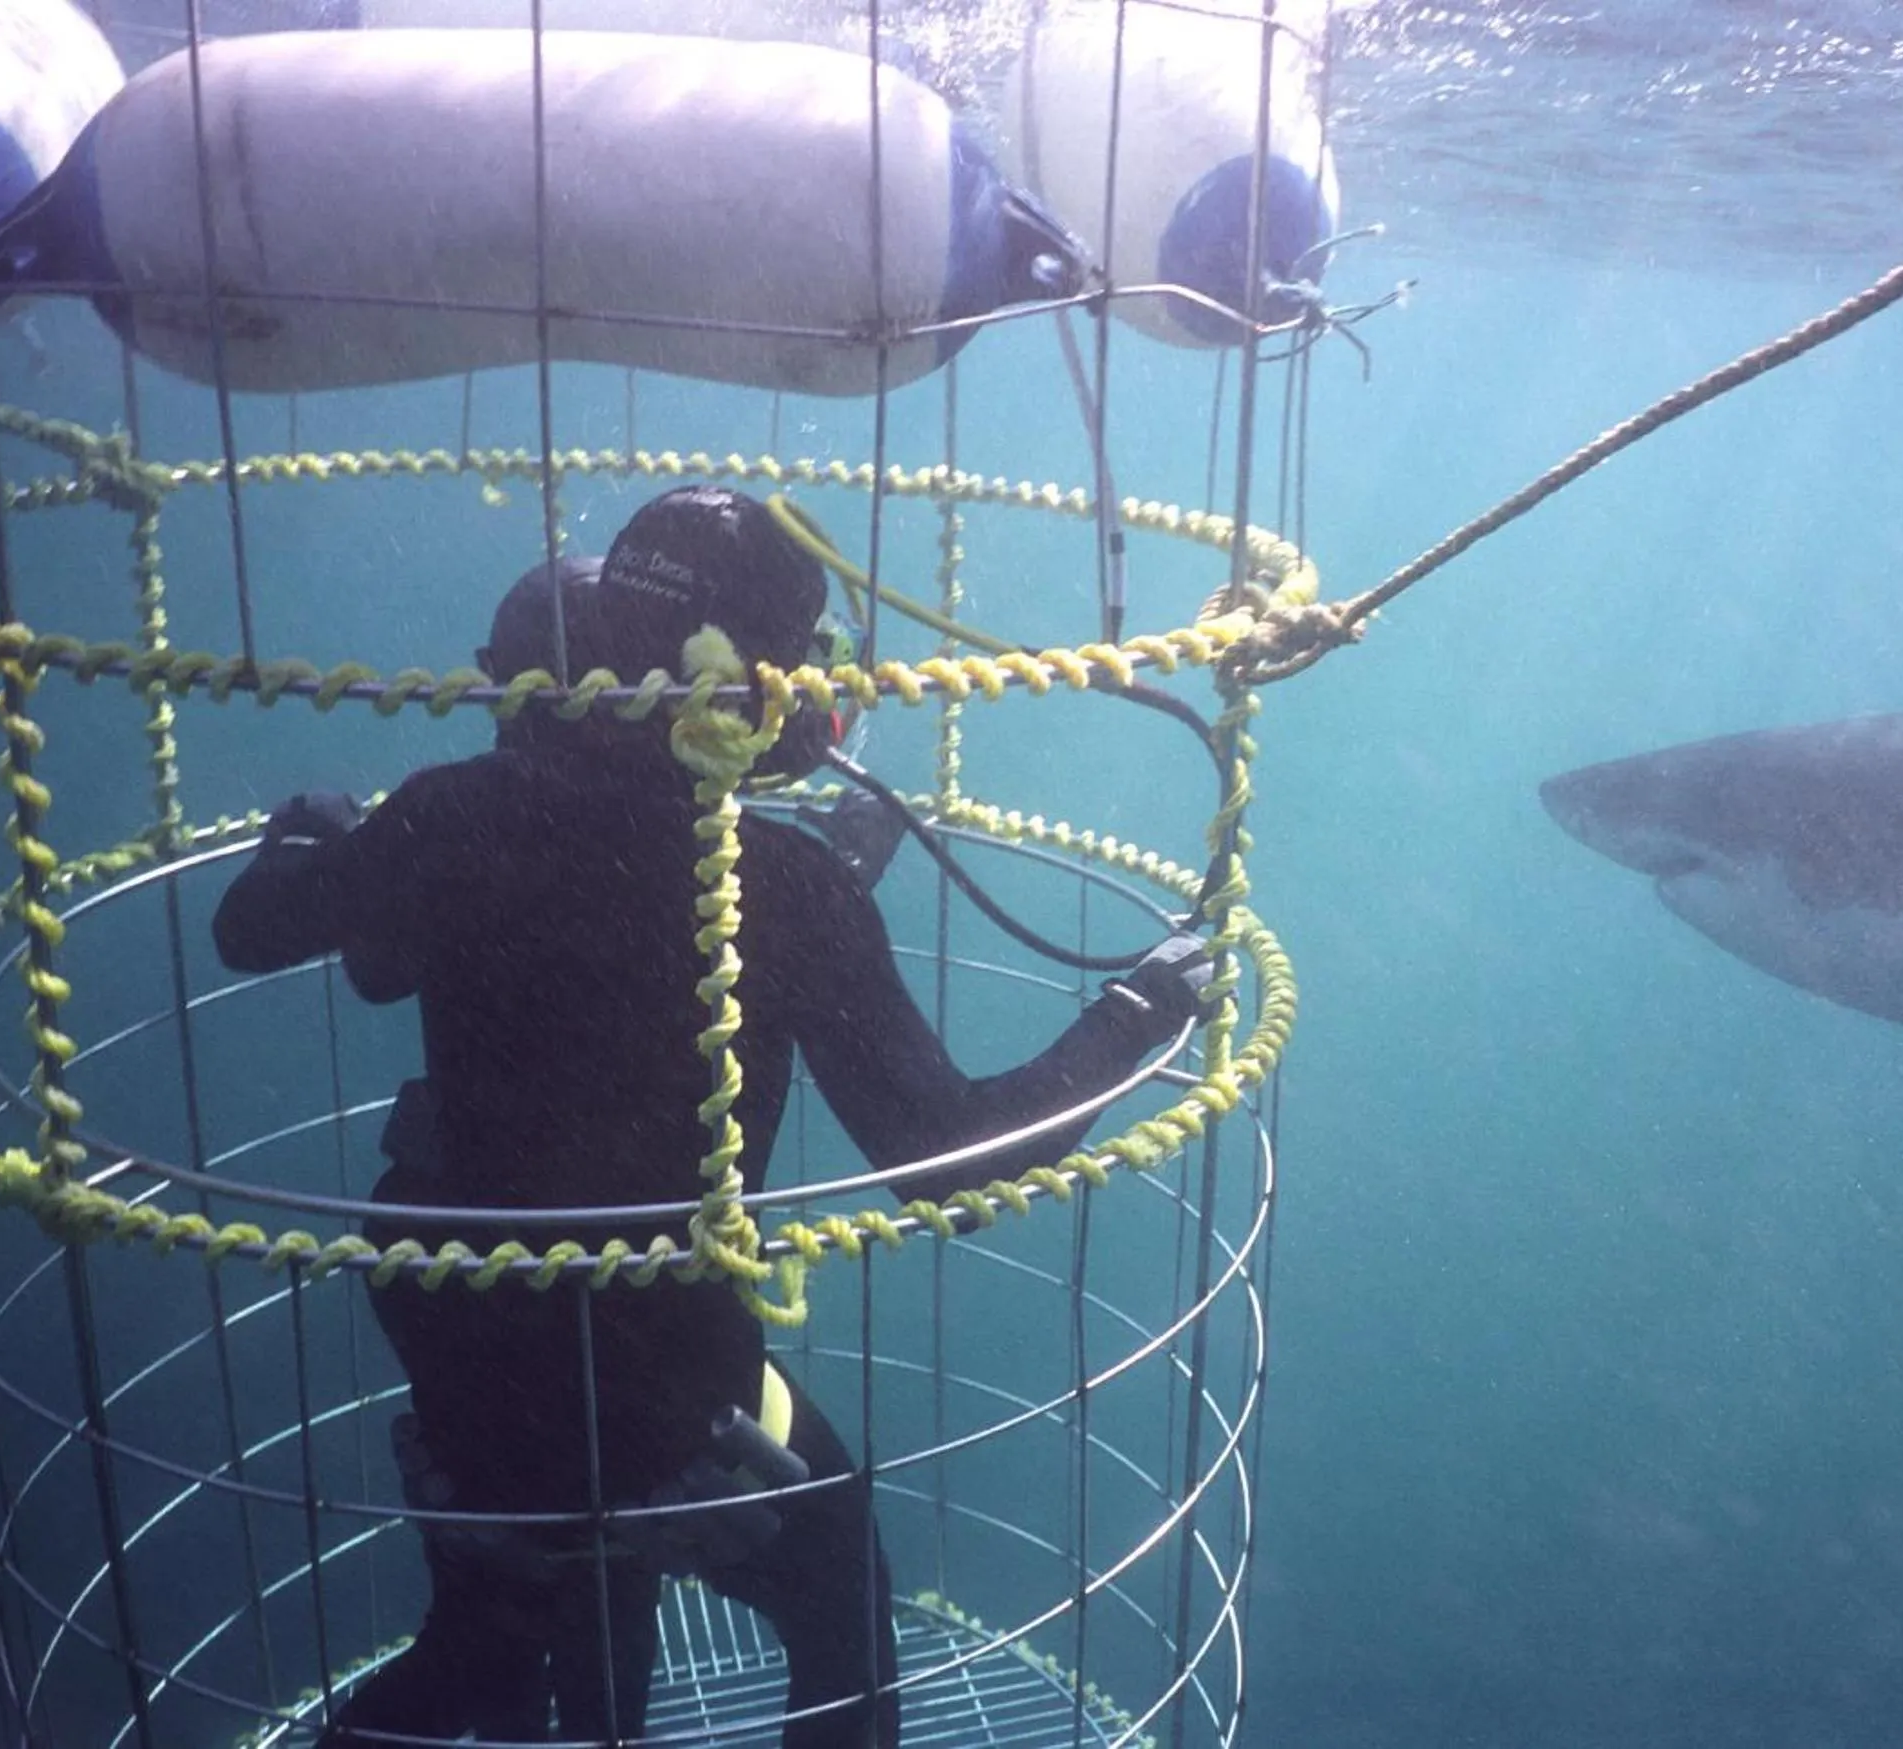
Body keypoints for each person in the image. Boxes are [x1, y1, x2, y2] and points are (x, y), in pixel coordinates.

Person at [213, 491, 1208, 1747]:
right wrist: (1141, 1007)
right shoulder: (782, 891)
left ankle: (514, 1626)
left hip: (465, 1341)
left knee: (503, 1626)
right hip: (666, 1380)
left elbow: (273, 933)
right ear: (760, 684)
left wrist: (307, 839)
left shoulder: (449, 813)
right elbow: (949, 1161)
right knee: (838, 1603)